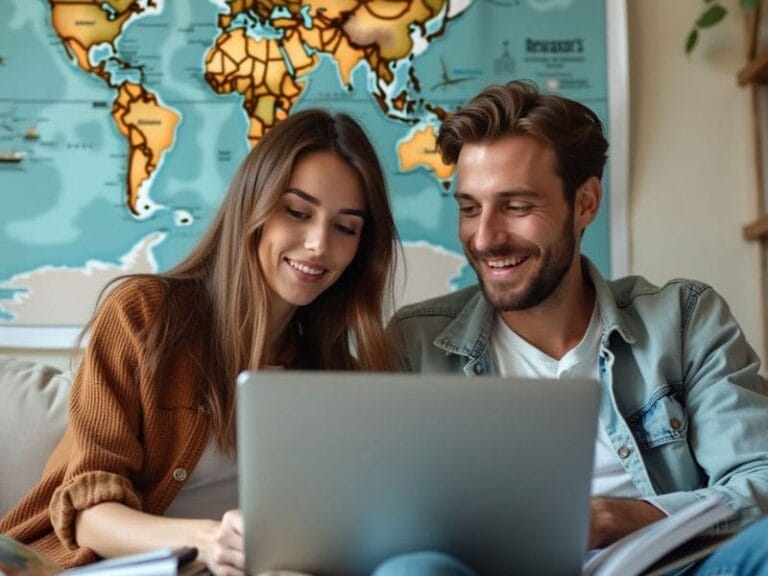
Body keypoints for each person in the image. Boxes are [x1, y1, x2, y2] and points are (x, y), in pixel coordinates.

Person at [388, 80, 768, 572]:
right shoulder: (414, 345)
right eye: (469, 208)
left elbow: (758, 479)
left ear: (585, 203)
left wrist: (617, 517)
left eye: (517, 206)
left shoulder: (683, 320)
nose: (485, 237)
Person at [0, 109, 399, 575]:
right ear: (254, 208)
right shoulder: (145, 317)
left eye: (345, 227)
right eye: (297, 211)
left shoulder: (338, 376)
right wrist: (209, 541)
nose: (318, 243)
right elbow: (89, 513)